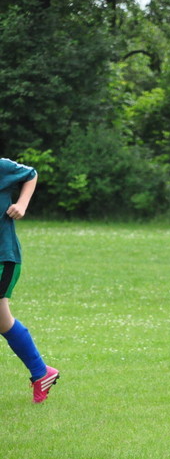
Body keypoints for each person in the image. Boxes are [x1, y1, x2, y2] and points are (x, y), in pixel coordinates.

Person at [0, 158, 59, 403]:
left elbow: (31, 173)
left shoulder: (2, 167)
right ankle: (41, 372)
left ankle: (40, 371)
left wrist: (21, 205)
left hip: (3, 257)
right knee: (3, 321)